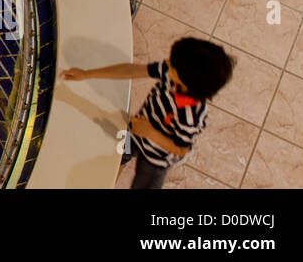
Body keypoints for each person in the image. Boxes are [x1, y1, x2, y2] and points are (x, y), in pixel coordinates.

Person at [62, 37, 234, 188]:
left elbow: (181, 149)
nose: (166, 62)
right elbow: (132, 70)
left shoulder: (190, 116)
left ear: (187, 83)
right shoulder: (168, 72)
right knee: (120, 155)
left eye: (172, 64)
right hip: (135, 132)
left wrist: (149, 133)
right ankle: (118, 167)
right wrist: (86, 74)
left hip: (156, 160)